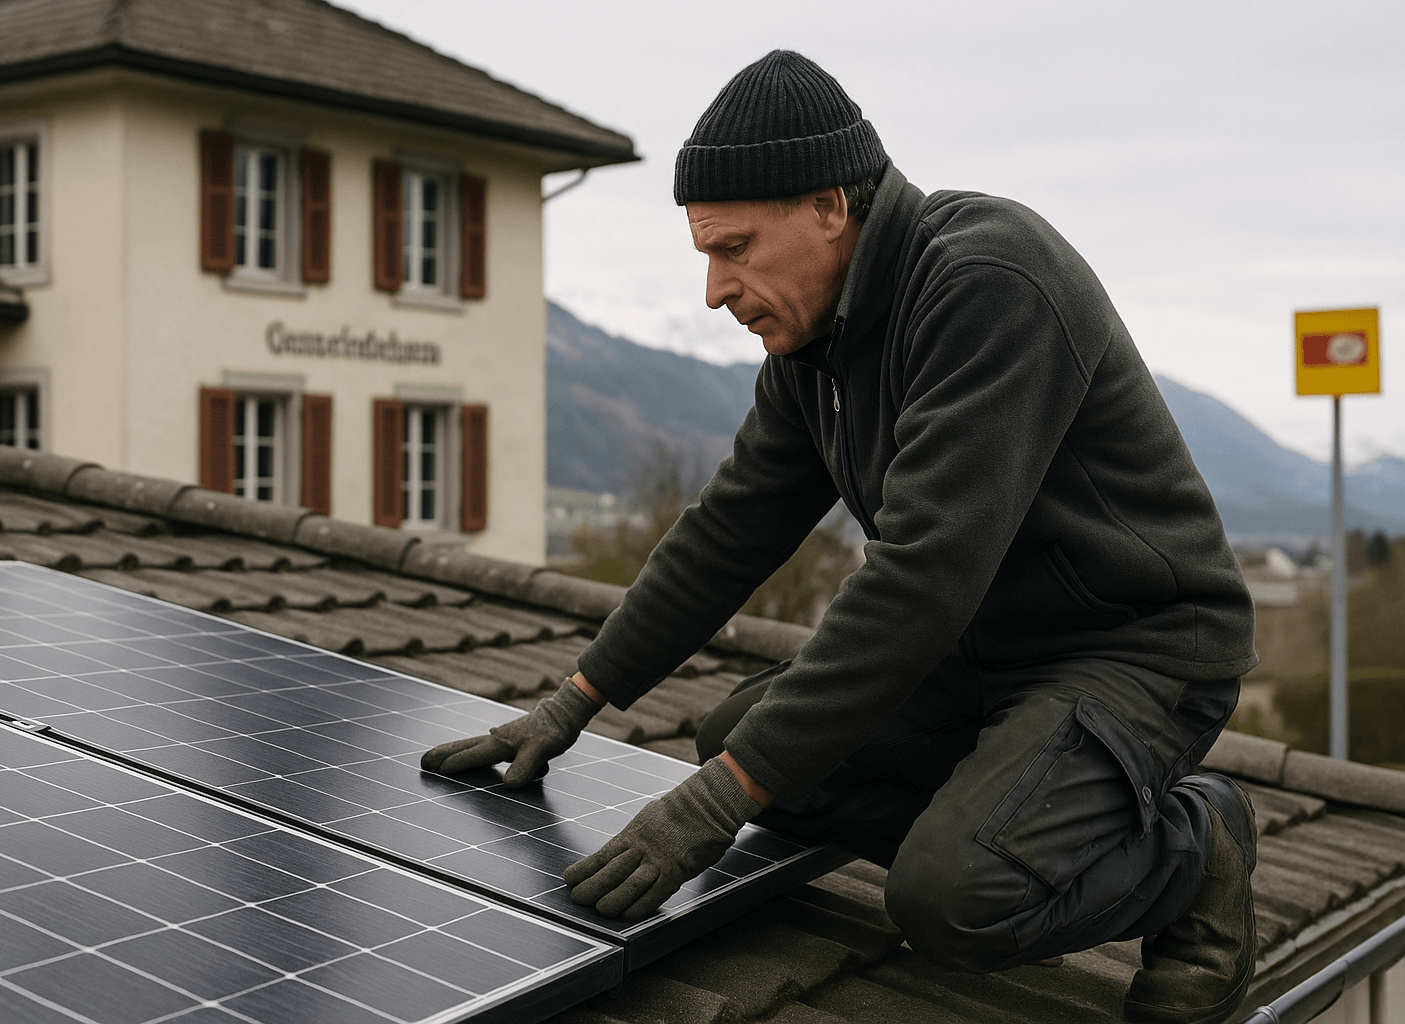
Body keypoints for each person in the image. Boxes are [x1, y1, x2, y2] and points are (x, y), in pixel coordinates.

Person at [423, 50, 1259, 1024]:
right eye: (704, 253)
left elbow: (924, 575)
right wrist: (573, 700)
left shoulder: (987, 279)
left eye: (734, 247)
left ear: (829, 206)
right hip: (979, 653)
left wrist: (712, 802)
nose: (714, 288)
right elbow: (727, 530)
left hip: (1129, 647)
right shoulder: (813, 348)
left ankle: (1199, 849)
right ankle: (1006, 810)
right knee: (740, 743)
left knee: (952, 897)